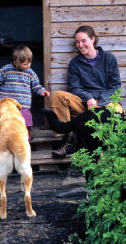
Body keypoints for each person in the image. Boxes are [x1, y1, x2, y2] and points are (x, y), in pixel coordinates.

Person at [51, 25, 122, 158]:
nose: (80, 45)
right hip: (84, 104)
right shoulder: (75, 63)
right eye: (77, 42)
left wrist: (101, 103)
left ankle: (108, 146)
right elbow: (74, 87)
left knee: (117, 111)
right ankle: (68, 138)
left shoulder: (109, 59)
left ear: (93, 39)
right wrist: (88, 98)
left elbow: (115, 86)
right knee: (57, 96)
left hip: (105, 104)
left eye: (83, 41)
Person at [0, 45, 50, 140]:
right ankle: (3, 136)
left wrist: (42, 91)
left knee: (26, 121)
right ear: (15, 62)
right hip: (7, 103)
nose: (28, 66)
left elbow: (36, 86)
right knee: (5, 120)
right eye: (25, 64)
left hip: (23, 104)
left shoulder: (30, 73)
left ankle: (26, 137)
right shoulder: (5, 70)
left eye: (30, 62)